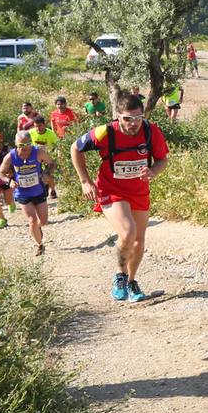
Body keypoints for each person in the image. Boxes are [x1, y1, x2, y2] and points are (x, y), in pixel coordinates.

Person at [71, 91, 169, 304]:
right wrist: (85, 181)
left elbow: (162, 160)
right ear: (117, 115)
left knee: (139, 241)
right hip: (111, 190)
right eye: (127, 119)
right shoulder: (105, 132)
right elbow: (75, 149)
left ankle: (132, 281)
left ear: (143, 115)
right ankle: (120, 276)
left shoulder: (151, 132)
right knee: (128, 232)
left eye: (137, 118)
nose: (133, 123)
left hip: (139, 191)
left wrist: (153, 170)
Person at [1, 130, 53, 257]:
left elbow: (52, 163)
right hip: (22, 192)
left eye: (27, 144)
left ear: (31, 143)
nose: (24, 148)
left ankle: (37, 228)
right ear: (15, 144)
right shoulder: (10, 156)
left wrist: (46, 173)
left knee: (44, 221)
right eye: (21, 145)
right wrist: (9, 181)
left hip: (38, 190)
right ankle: (40, 244)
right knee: (32, 220)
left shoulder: (38, 153)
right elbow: (0, 173)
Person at [27, 115, 61, 201]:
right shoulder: (31, 133)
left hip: (48, 158)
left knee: (48, 175)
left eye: (40, 126)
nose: (38, 128)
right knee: (37, 175)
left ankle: (52, 190)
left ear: (44, 124)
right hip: (35, 158)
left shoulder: (51, 134)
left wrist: (57, 156)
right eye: (36, 126)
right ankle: (39, 192)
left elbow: (57, 146)